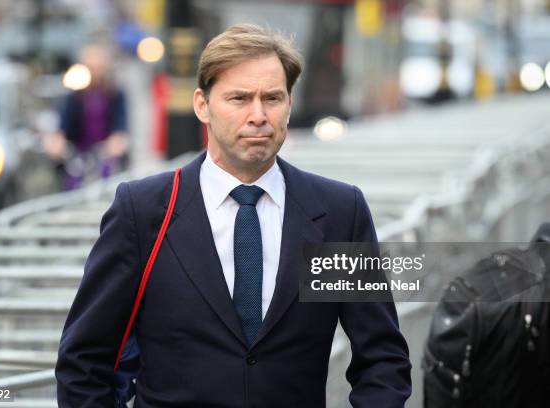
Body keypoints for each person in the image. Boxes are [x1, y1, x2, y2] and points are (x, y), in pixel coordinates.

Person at [56, 24, 411, 407]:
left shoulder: (339, 212)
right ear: (202, 105)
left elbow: (383, 360)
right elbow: (85, 361)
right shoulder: (142, 211)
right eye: (239, 98)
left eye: (272, 98)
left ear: (289, 105)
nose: (258, 115)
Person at [43, 44, 130, 190]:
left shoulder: (115, 94)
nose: (94, 72)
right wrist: (57, 142)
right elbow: (63, 125)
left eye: (98, 68)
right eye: (90, 67)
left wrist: (115, 142)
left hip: (104, 154)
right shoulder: (74, 95)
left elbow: (121, 126)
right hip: (79, 153)